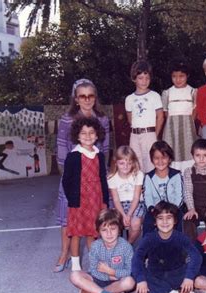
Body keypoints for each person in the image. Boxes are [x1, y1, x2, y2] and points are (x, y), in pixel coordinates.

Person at [54, 78, 110, 273]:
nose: (87, 100)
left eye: (91, 96)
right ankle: (64, 254)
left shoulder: (102, 119)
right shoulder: (67, 119)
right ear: (76, 99)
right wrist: (68, 174)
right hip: (73, 174)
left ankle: (96, 260)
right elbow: (61, 148)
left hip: (93, 175)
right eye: (82, 96)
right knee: (69, 218)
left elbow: (105, 147)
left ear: (95, 98)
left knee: (93, 221)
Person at [62, 117, 109, 272]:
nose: (88, 136)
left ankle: (93, 263)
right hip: (79, 201)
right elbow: (66, 181)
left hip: (95, 200)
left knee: (92, 233)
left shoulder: (99, 155)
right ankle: (75, 265)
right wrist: (73, 200)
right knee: (76, 233)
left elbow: (103, 179)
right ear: (77, 135)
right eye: (83, 133)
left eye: (91, 133)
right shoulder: (74, 155)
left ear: (97, 135)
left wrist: (105, 202)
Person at [132, 201, 202, 293]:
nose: (165, 222)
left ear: (175, 221)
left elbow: (196, 256)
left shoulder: (181, 237)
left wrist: (188, 277)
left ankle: (157, 292)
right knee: (135, 272)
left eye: (169, 218)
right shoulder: (149, 238)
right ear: (155, 222)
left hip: (176, 274)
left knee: (195, 270)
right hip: (156, 275)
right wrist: (141, 280)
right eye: (160, 218)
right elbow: (137, 257)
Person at [69, 209, 135, 293]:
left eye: (112, 229)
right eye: (104, 230)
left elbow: (130, 270)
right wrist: (107, 276)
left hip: (117, 280)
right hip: (97, 279)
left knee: (130, 282)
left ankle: (92, 292)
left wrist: (112, 272)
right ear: (98, 231)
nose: (109, 234)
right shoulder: (95, 246)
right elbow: (93, 269)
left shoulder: (126, 247)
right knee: (74, 275)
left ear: (119, 228)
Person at [125, 60, 165, 173]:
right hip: (134, 135)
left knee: (151, 164)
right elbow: (130, 119)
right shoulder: (129, 99)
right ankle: (139, 189)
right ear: (134, 78)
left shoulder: (154, 96)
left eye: (147, 78)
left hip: (150, 134)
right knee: (136, 165)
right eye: (140, 78)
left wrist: (154, 135)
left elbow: (160, 117)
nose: (144, 81)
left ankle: (151, 189)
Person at [161, 59, 197, 172]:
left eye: (181, 76)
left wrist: (188, 125)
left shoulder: (193, 91)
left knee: (188, 151)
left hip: (188, 128)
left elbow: (195, 111)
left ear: (187, 76)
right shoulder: (167, 93)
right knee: (172, 151)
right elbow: (166, 113)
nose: (178, 79)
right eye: (174, 76)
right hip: (172, 129)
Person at [143, 140, 183, 235]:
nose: (160, 161)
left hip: (174, 209)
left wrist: (173, 209)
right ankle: (148, 247)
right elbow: (147, 196)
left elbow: (179, 196)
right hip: (155, 210)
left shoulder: (176, 175)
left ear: (169, 159)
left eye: (164, 157)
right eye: (156, 158)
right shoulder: (149, 177)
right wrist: (152, 209)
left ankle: (177, 247)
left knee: (179, 222)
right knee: (148, 222)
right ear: (152, 160)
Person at [182, 138, 206, 241]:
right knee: (188, 222)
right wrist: (191, 209)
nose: (201, 159)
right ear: (193, 155)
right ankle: (191, 252)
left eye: (205, 156)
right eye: (198, 155)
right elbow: (188, 191)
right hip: (194, 206)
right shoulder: (188, 171)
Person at [107, 145, 145, 244]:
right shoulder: (112, 178)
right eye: (122, 163)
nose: (125, 166)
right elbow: (115, 200)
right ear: (116, 163)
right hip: (119, 204)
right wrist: (123, 215)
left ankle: (127, 245)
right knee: (114, 223)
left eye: (129, 163)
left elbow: (136, 197)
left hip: (136, 203)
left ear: (133, 162)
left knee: (135, 224)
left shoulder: (138, 174)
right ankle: (116, 246)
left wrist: (129, 214)